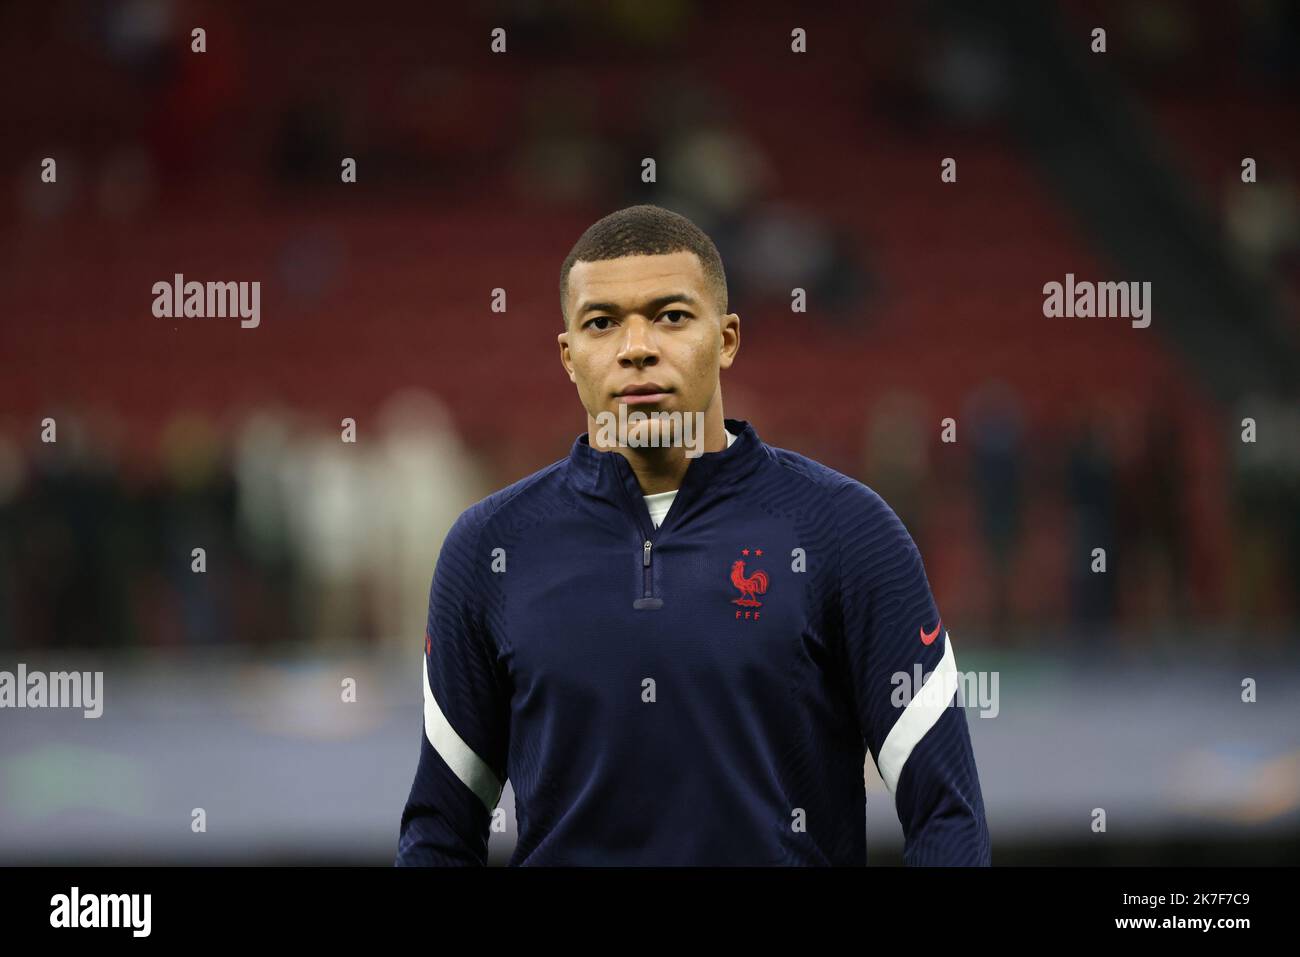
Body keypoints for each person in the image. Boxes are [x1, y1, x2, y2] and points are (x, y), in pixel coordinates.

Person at [395, 204, 990, 865]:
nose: (638, 346)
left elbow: (947, 817)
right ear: (568, 355)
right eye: (601, 323)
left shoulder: (849, 532)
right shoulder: (489, 550)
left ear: (728, 337)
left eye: (671, 316)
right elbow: (439, 835)